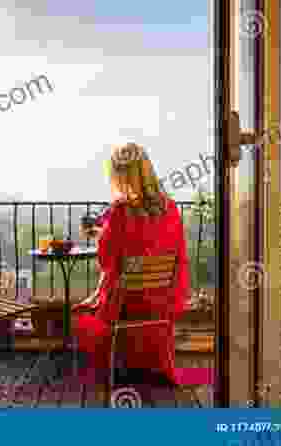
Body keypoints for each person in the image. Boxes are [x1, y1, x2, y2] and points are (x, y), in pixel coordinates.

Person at [72, 142, 191, 390]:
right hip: (161, 303)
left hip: (126, 306)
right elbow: (177, 254)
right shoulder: (170, 208)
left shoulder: (120, 211)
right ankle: (148, 364)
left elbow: (107, 260)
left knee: (80, 314)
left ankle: (117, 364)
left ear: (121, 176)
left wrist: (100, 234)